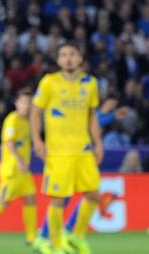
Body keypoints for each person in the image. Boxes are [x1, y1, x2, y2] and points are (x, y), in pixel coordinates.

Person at [31, 42, 103, 254]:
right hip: (58, 152)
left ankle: (75, 236)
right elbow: (35, 113)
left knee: (94, 195)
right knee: (57, 200)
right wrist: (37, 140)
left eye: (72, 54)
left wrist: (98, 143)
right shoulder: (49, 82)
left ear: (80, 58)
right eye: (63, 55)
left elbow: (92, 116)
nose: (68, 58)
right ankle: (55, 246)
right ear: (59, 60)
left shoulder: (90, 83)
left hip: (83, 150)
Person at [0, 89, 38, 248]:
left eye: (29, 103)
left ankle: (32, 238)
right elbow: (9, 143)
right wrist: (20, 161)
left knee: (31, 199)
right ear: (17, 103)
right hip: (12, 171)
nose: (26, 106)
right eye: (23, 102)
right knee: (2, 202)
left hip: (23, 172)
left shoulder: (28, 122)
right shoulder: (12, 120)